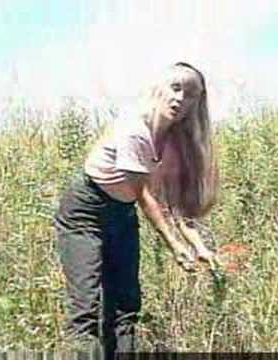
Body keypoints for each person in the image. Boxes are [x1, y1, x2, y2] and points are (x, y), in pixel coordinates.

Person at [54, 62, 219, 358]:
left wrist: (198, 247)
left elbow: (174, 203)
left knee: (126, 308)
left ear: (198, 103)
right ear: (159, 88)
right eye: (175, 88)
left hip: (122, 213)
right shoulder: (134, 128)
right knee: (86, 309)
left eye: (191, 94)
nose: (180, 99)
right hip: (85, 210)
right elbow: (144, 195)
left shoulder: (176, 142)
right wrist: (175, 246)